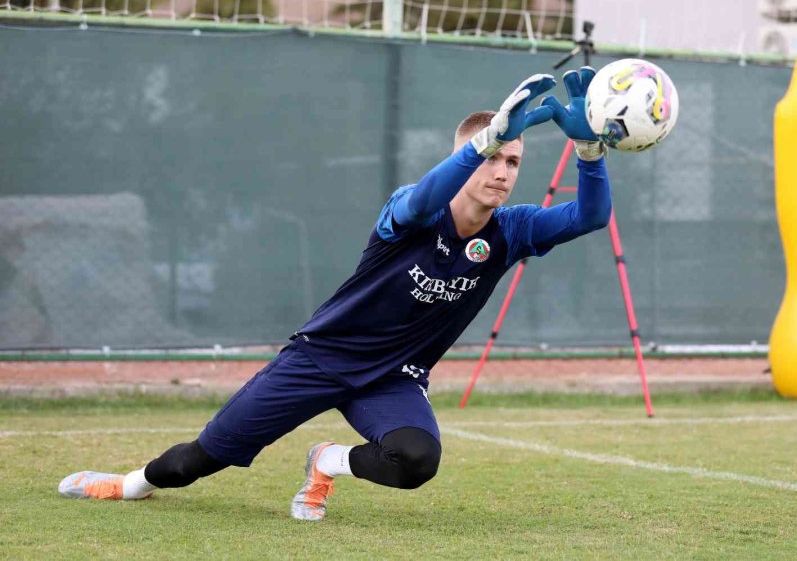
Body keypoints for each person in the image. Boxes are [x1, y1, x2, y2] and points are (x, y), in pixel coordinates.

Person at [58, 67, 612, 521]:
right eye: (492, 156)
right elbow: (423, 198)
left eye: (513, 161)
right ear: (465, 156)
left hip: (391, 379)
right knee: (196, 462)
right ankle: (128, 484)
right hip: (320, 359)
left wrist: (590, 154)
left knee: (416, 461)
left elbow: (592, 215)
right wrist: (482, 144)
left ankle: (327, 460)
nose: (502, 171)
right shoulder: (412, 210)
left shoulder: (512, 230)